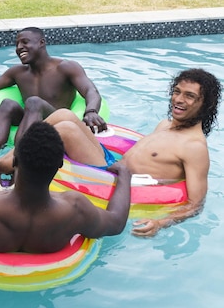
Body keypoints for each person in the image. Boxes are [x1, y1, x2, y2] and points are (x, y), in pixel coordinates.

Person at [32, 68, 221, 237]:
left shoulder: (195, 147)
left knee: (66, 129)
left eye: (189, 96)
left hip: (115, 180)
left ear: (206, 105)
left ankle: (13, 168)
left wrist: (160, 223)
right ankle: (11, 161)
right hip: (110, 163)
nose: (178, 99)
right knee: (64, 114)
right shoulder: (165, 125)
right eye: (177, 92)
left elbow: (195, 204)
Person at [0, 121, 132, 254]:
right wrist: (124, 175)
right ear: (59, 165)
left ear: (14, 160)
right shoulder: (76, 209)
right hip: (42, 205)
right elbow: (116, 223)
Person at [0, 27, 107, 172]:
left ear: (41, 43)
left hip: (57, 121)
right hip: (30, 118)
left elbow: (90, 90)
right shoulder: (19, 73)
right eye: (17, 44)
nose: (19, 48)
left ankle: (16, 164)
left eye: (24, 42)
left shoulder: (65, 67)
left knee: (34, 102)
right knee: (8, 104)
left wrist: (91, 111)